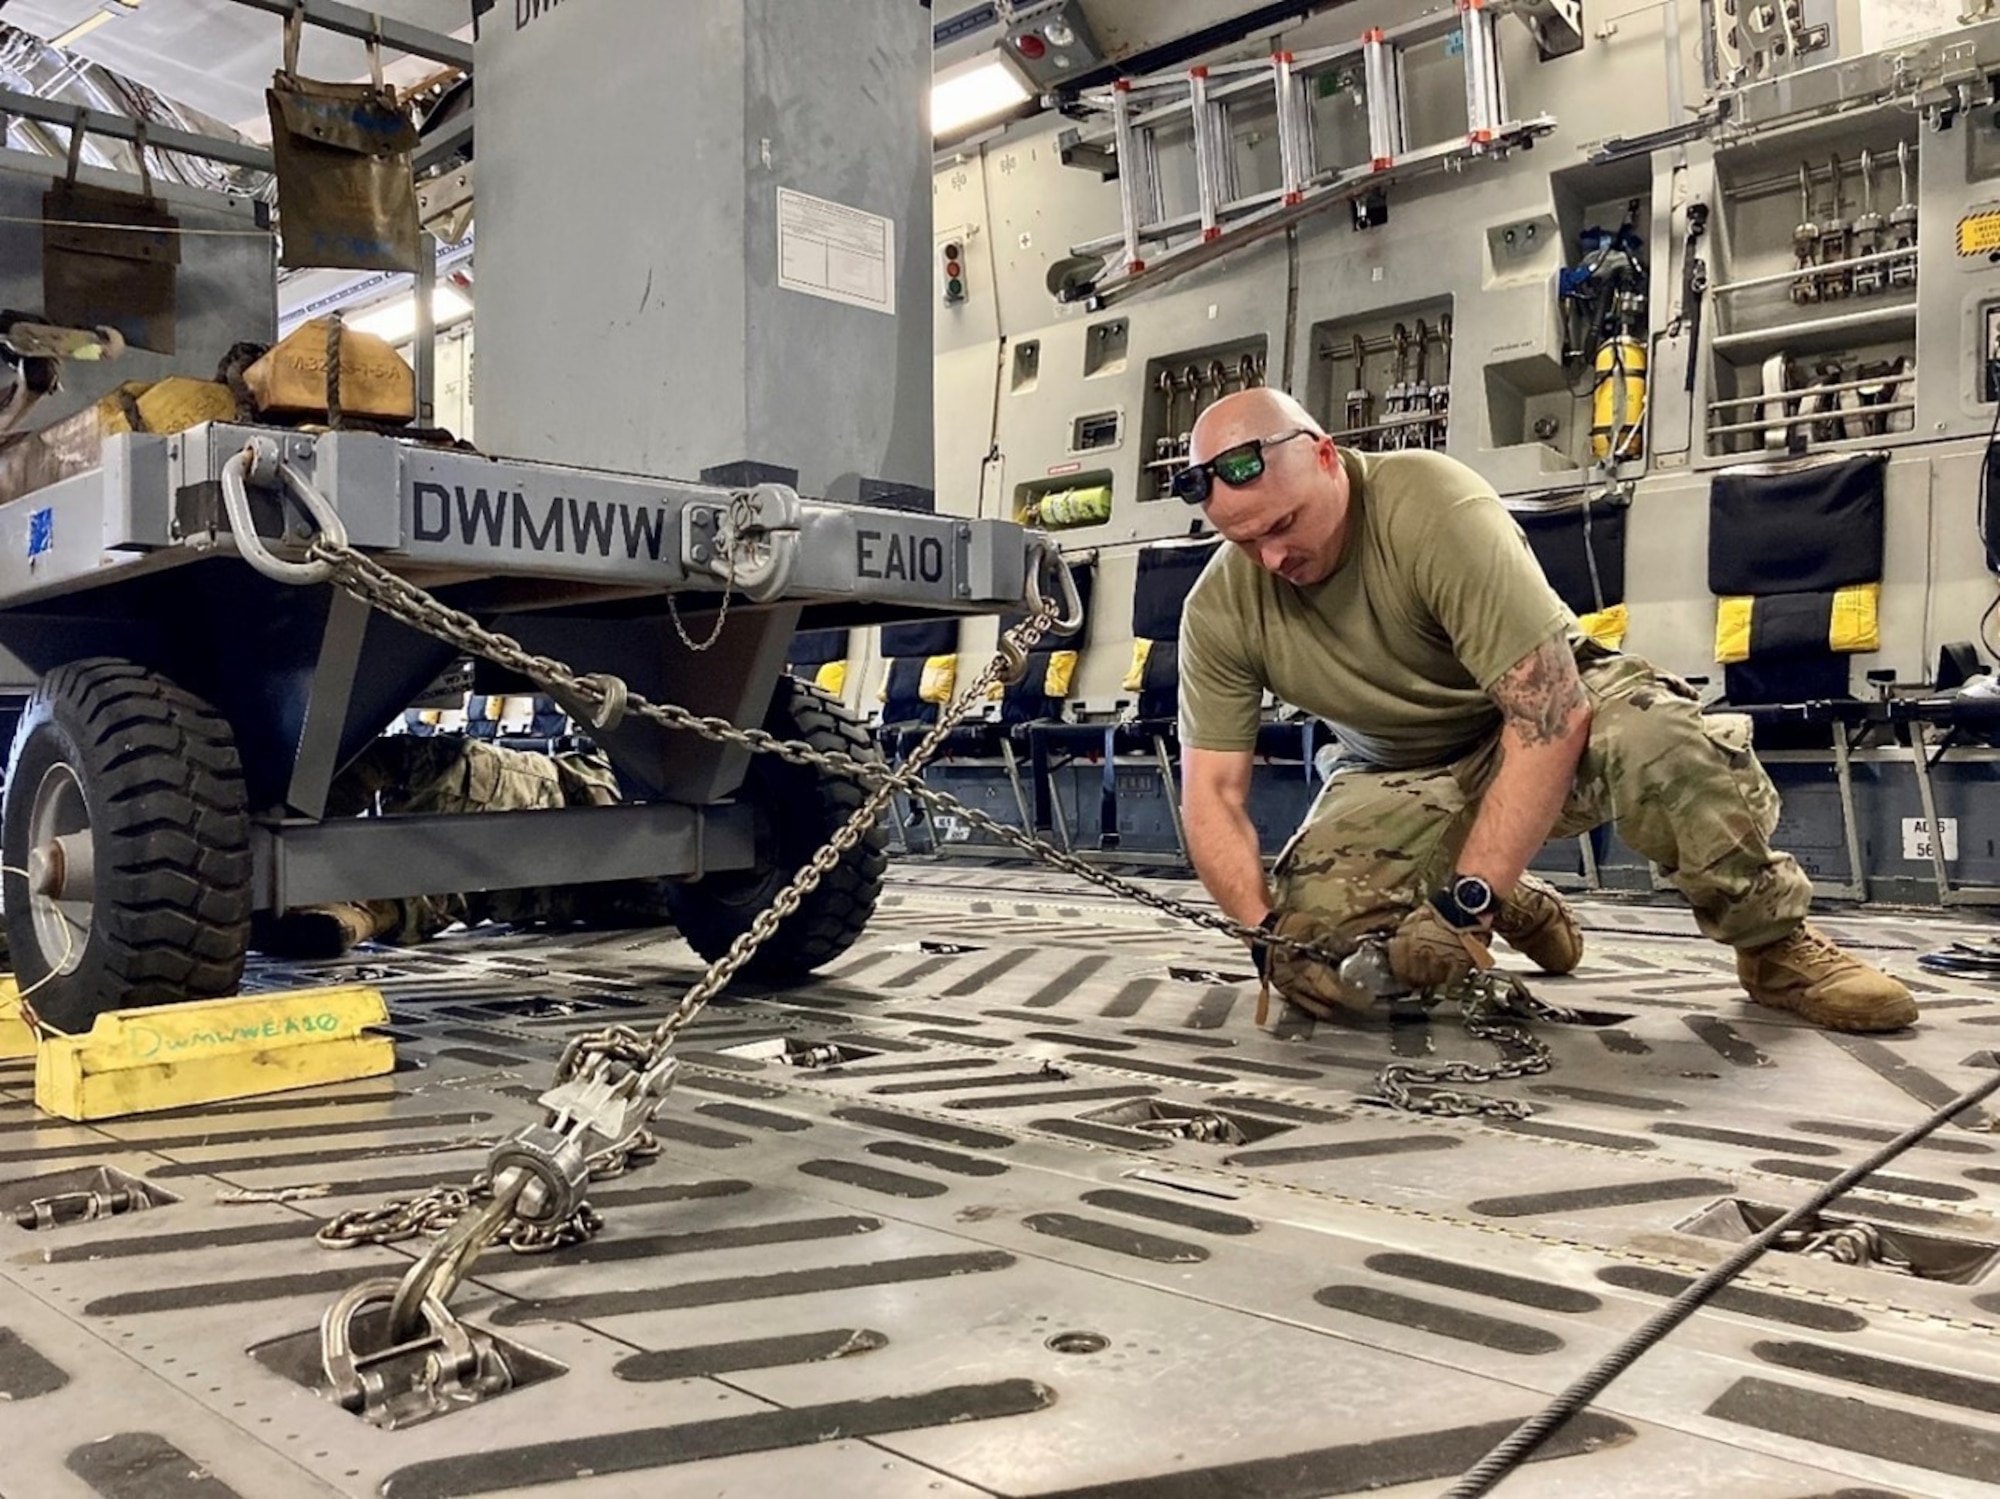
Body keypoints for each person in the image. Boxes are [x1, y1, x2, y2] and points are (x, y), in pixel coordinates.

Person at [1173, 387, 1915, 1033]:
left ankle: (1775, 947)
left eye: (1282, 526)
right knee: (1317, 959)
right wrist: (1263, 933)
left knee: (1661, 740)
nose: (1272, 558)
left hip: (1544, 717)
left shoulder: (1430, 505)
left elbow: (1550, 717)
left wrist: (1465, 908)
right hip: (1400, 770)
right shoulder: (1220, 608)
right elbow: (1212, 796)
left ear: (1329, 457)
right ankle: (1516, 895)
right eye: (1244, 541)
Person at [250, 734, 659, 958]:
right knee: (449, 892)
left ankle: (286, 820)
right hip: (598, 882)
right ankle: (351, 918)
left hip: (586, 801)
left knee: (444, 769)